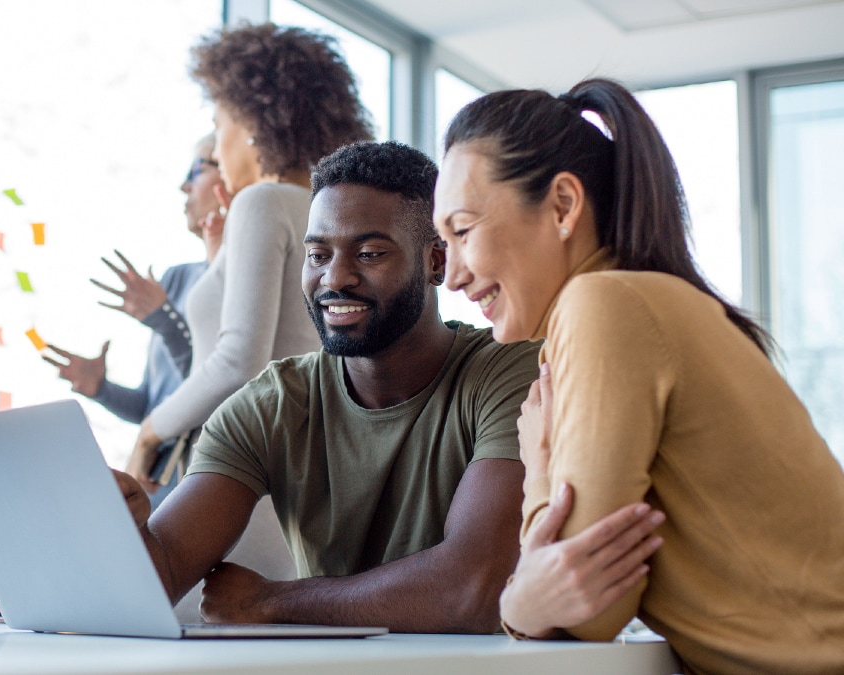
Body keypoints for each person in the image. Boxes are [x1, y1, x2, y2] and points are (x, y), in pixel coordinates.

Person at [434, 78, 844, 672]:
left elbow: (585, 611)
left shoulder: (602, 305)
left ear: (563, 206)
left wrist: (538, 472)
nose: (451, 277)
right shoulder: (641, 302)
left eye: (464, 231)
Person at [113, 140, 541, 632]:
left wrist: (271, 602)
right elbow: (161, 572)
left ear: (436, 262)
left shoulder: (511, 372)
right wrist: (123, 530)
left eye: (370, 253)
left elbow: (474, 589)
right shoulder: (272, 404)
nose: (335, 277)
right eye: (318, 253)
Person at [124, 23, 373, 491]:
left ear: (254, 120)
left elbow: (239, 360)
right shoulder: (328, 209)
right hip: (295, 463)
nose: (218, 146)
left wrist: (149, 431)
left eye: (219, 126)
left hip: (238, 471)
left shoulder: (262, 203)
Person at [43, 133, 227, 505]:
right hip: (156, 478)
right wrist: (102, 390)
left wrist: (163, 319)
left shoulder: (242, 283)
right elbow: (153, 405)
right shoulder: (175, 278)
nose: (183, 185)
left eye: (197, 168)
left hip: (200, 476)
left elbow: (218, 380)